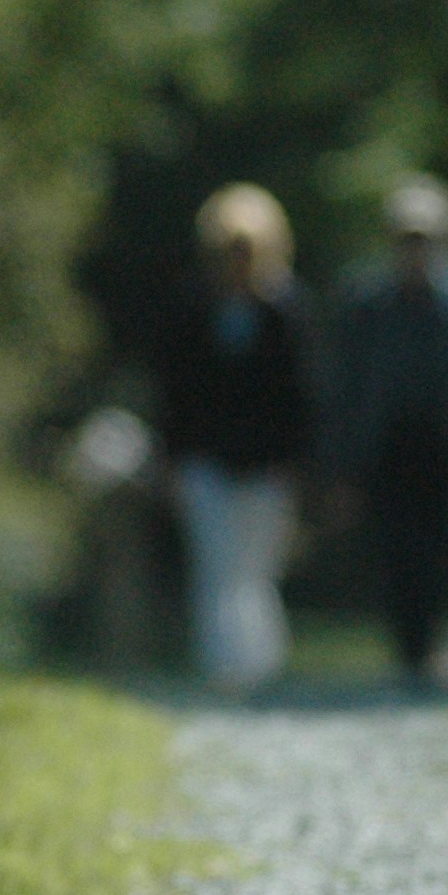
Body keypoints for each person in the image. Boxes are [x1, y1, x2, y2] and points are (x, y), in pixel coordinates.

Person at [323, 174, 448, 679]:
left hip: (446, 448)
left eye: (425, 239)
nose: (416, 249)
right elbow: (346, 388)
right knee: (395, 549)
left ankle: (426, 647)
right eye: (408, 239)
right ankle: (408, 649)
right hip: (387, 447)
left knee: (439, 548)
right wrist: (341, 465)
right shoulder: (364, 303)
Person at [152, 182, 314, 690]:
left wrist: (298, 463)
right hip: (205, 461)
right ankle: (223, 668)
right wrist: (172, 460)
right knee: (216, 565)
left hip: (267, 465)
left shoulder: (285, 313)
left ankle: (260, 666)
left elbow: (301, 396)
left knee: (257, 568)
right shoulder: (192, 310)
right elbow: (174, 392)